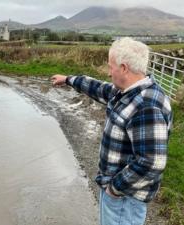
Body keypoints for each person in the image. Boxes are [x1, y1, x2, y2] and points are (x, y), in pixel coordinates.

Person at [51, 37, 172, 225]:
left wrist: (114, 188)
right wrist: (67, 80)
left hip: (125, 198)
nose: (108, 73)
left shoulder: (146, 106)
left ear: (124, 68)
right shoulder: (126, 91)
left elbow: (152, 162)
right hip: (120, 194)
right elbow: (98, 88)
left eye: (111, 67)